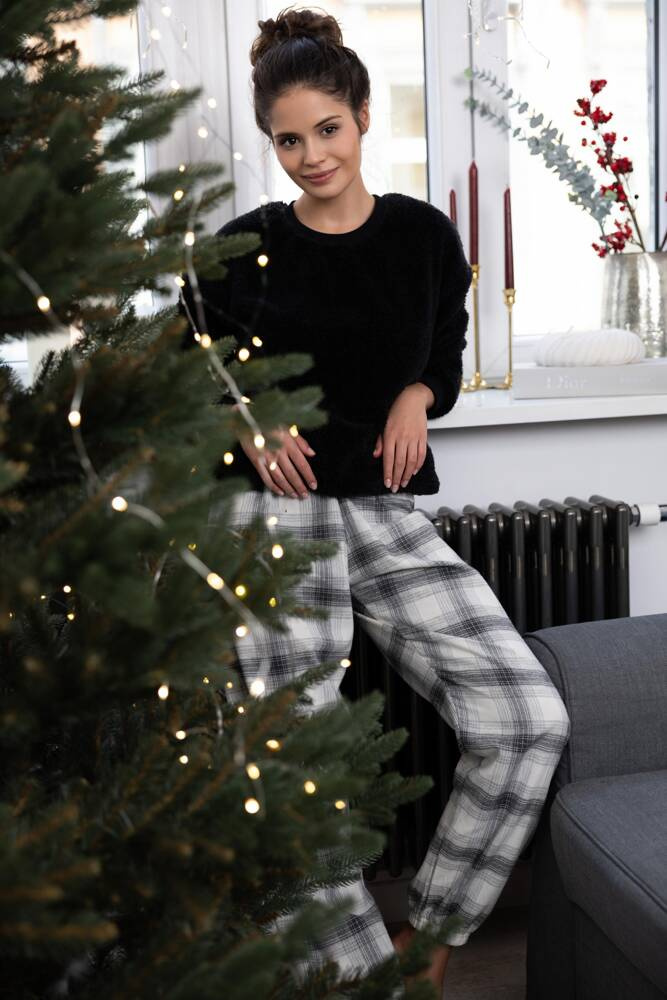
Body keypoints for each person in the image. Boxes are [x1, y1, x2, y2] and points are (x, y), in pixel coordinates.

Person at [179, 6, 571, 994]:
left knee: (525, 716)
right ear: (271, 145)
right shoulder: (242, 247)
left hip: (384, 510)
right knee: (296, 752)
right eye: (288, 141)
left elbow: (440, 346)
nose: (312, 156)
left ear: (362, 117)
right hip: (273, 517)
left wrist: (418, 394)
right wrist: (247, 416)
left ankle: (427, 941)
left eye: (328, 129)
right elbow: (190, 361)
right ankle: (359, 978)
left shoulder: (422, 236)